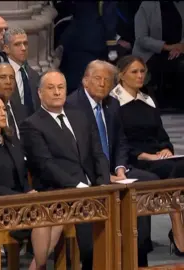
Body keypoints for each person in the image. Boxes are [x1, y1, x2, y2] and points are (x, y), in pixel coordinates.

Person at [66, 59, 159, 266]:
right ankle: (93, 259)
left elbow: (121, 142)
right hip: (87, 174)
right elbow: (77, 150)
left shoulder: (112, 104)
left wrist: (120, 169)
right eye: (97, 79)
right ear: (85, 81)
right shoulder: (72, 106)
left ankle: (138, 256)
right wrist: (103, 175)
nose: (102, 84)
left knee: (145, 183)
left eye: (107, 80)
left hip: (115, 171)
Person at [23, 70, 110, 270]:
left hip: (93, 188)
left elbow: (98, 154)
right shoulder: (32, 125)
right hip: (59, 190)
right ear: (39, 93)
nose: (56, 92)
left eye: (60, 87)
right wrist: (78, 186)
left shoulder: (80, 117)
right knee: (90, 241)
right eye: (51, 88)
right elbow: (46, 165)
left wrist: (104, 183)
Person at [110, 55, 184, 257]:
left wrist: (166, 149)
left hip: (158, 157)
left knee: (179, 165)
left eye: (142, 71)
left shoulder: (148, 99)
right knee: (174, 170)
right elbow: (118, 141)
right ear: (122, 75)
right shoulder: (114, 102)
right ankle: (177, 228)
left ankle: (178, 226)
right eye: (134, 72)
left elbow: (161, 135)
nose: (140, 75)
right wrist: (145, 156)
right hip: (134, 160)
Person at [0, 93, 50, 269]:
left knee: (50, 217)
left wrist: (28, 191)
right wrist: (18, 197)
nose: (3, 113)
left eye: (4, 109)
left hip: (19, 202)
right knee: (42, 217)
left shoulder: (11, 141)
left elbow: (21, 175)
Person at [133, 1, 184, 110]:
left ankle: (177, 103)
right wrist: (167, 47)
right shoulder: (146, 5)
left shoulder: (181, 4)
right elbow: (141, 39)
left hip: (178, 50)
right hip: (150, 52)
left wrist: (180, 46)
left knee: (180, 64)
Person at [2, 27, 40, 116]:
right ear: (6, 48)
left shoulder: (34, 75)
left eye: (25, 43)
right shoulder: (0, 76)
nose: (23, 48)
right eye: (17, 44)